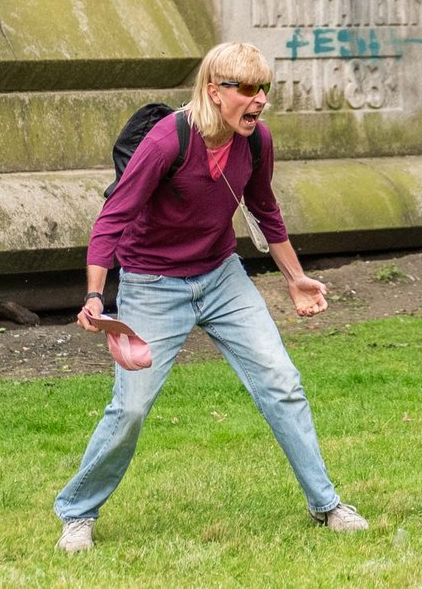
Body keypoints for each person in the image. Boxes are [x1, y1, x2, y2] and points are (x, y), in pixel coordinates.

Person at [54, 42, 368, 553]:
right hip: (152, 284)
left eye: (264, 88)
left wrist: (295, 278)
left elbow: (264, 208)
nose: (260, 99)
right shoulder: (167, 141)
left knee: (282, 382)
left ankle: (326, 504)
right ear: (214, 91)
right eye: (248, 88)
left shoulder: (256, 141)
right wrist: (95, 296)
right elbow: (112, 218)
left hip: (222, 277)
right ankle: (77, 513)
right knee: (130, 409)